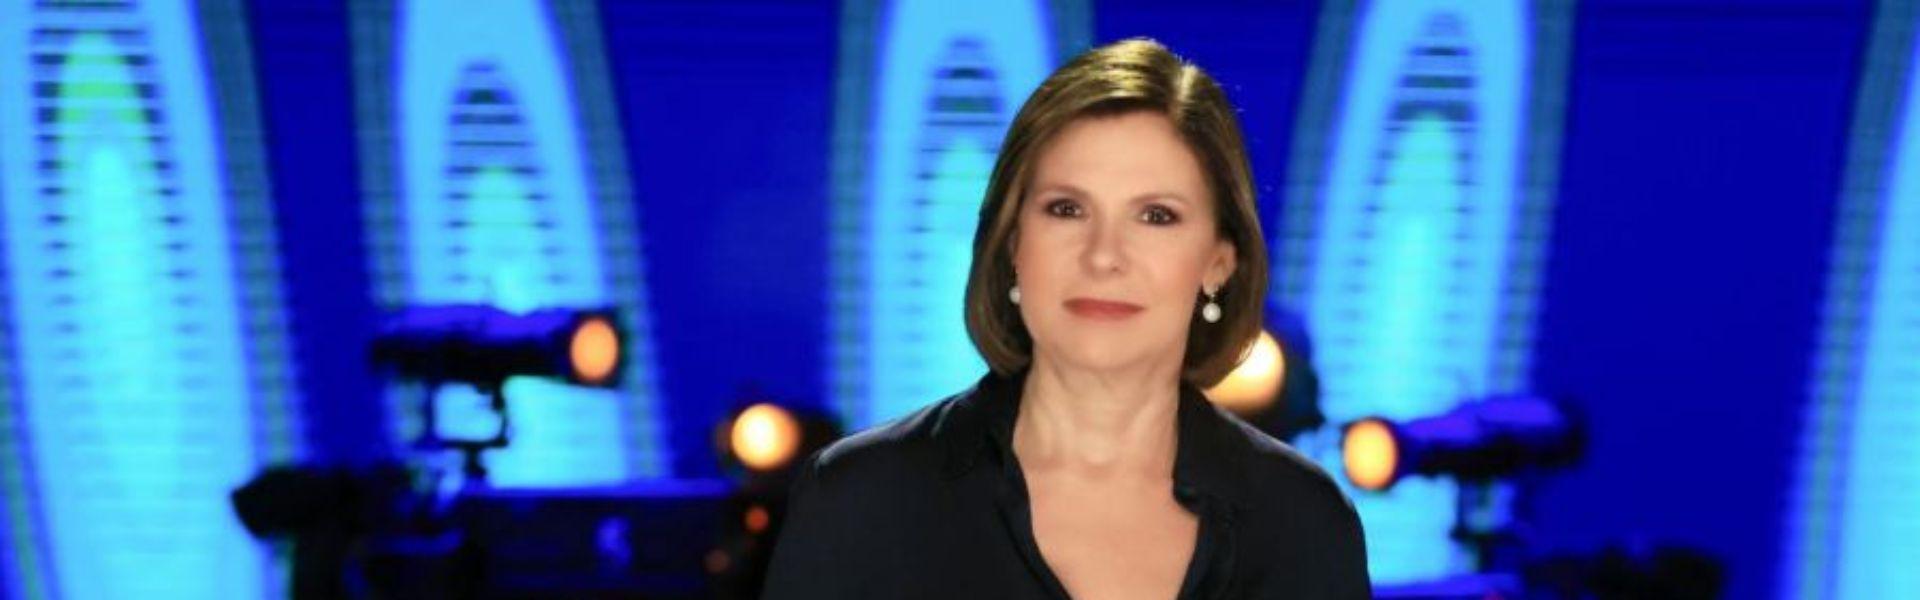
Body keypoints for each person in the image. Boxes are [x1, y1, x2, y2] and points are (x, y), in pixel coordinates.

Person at [762, 38, 1370, 599]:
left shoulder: (1302, 522)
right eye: (1066, 209)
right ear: (1012, 243)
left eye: (1156, 216)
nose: (1103, 256)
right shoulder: (862, 499)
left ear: (1218, 262)